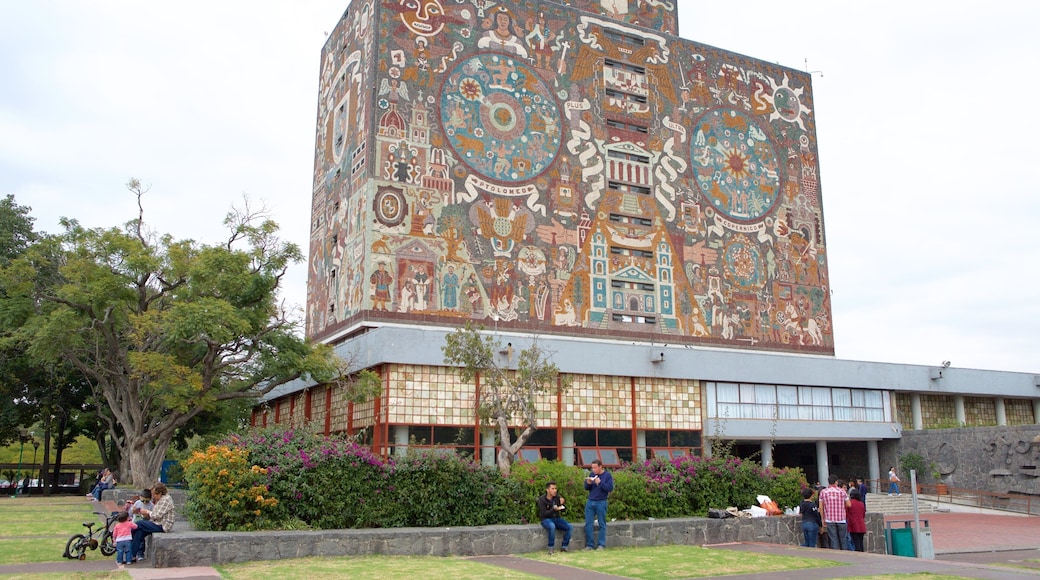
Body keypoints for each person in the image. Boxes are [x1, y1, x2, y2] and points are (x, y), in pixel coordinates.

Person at [131, 482, 175, 562]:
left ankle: (126, 533)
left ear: (160, 493)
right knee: (139, 532)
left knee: (139, 524)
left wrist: (147, 512)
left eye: (154, 494)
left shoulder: (166, 500)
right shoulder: (160, 500)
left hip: (162, 525)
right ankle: (132, 555)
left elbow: (157, 515)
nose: (153, 496)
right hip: (156, 523)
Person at [583, 459, 614, 550]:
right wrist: (588, 483)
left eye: (595, 468)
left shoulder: (607, 475)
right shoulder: (592, 474)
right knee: (588, 524)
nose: (594, 470)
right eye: (592, 468)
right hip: (591, 501)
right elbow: (587, 488)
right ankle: (589, 545)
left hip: (601, 501)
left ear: (600, 467)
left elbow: (609, 488)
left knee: (602, 523)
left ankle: (601, 544)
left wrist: (600, 482)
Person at [536, 481, 571, 554]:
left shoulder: (557, 498)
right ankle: (551, 547)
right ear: (547, 490)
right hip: (546, 519)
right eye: (552, 489)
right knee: (552, 526)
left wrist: (562, 504)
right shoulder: (542, 500)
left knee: (569, 527)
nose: (555, 490)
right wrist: (553, 509)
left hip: (556, 518)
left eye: (555, 488)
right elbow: (543, 514)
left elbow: (563, 510)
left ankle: (564, 546)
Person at [818, 474, 850, 551]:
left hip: (829, 519)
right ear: (836, 482)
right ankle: (845, 554)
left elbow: (821, 507)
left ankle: (835, 554)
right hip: (841, 518)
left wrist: (822, 519)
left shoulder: (823, 492)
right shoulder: (842, 491)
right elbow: (849, 504)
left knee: (833, 539)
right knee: (843, 539)